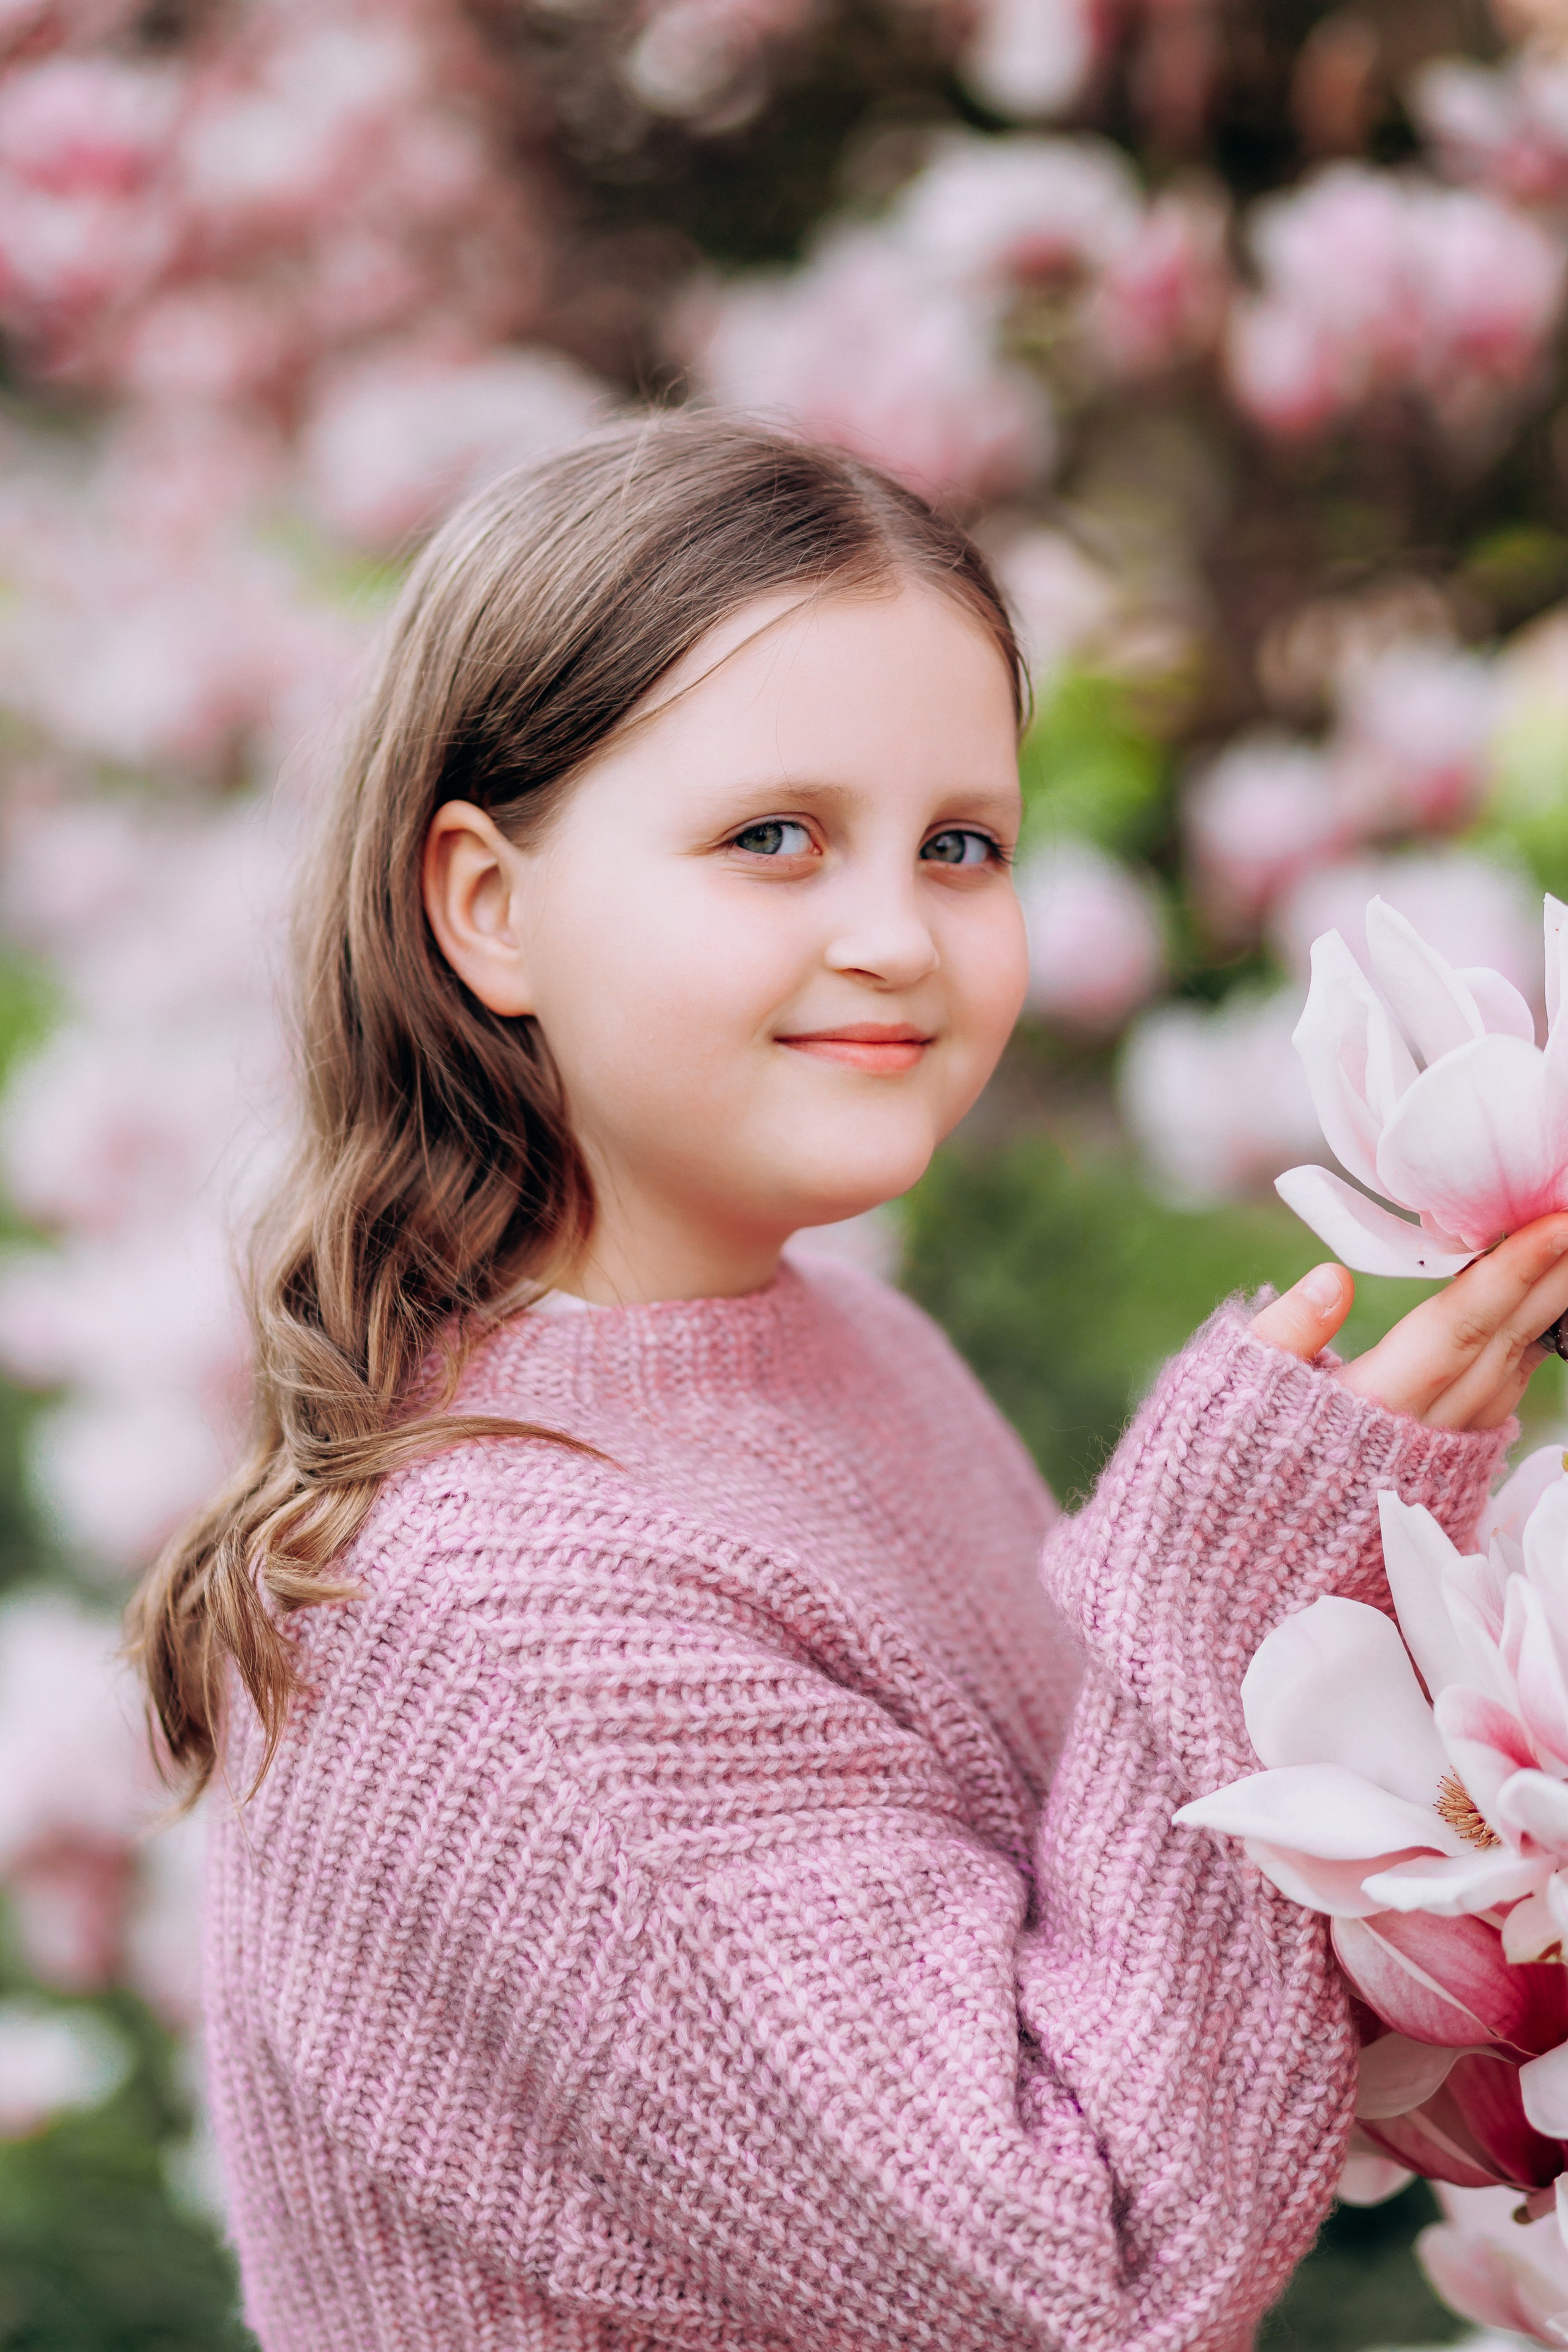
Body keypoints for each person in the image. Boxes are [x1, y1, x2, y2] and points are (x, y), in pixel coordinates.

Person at [131, 413, 1568, 2351]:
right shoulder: (495, 1606)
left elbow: (1139, 1974)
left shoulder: (846, 1348)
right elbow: (1100, 2275)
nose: (895, 937)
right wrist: (1231, 1592)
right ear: (487, 906)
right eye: (773, 839)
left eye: (960, 845)